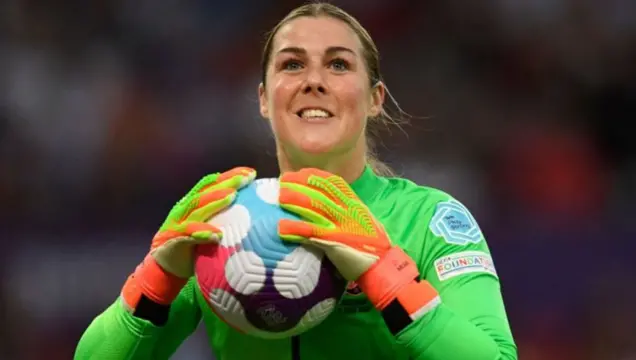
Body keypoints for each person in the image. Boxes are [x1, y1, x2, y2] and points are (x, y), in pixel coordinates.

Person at [75, 3, 517, 359]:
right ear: (264, 100)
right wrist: (155, 278)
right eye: (291, 65)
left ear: (375, 99)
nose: (313, 81)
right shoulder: (222, 222)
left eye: (339, 65)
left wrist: (386, 274)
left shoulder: (428, 219)